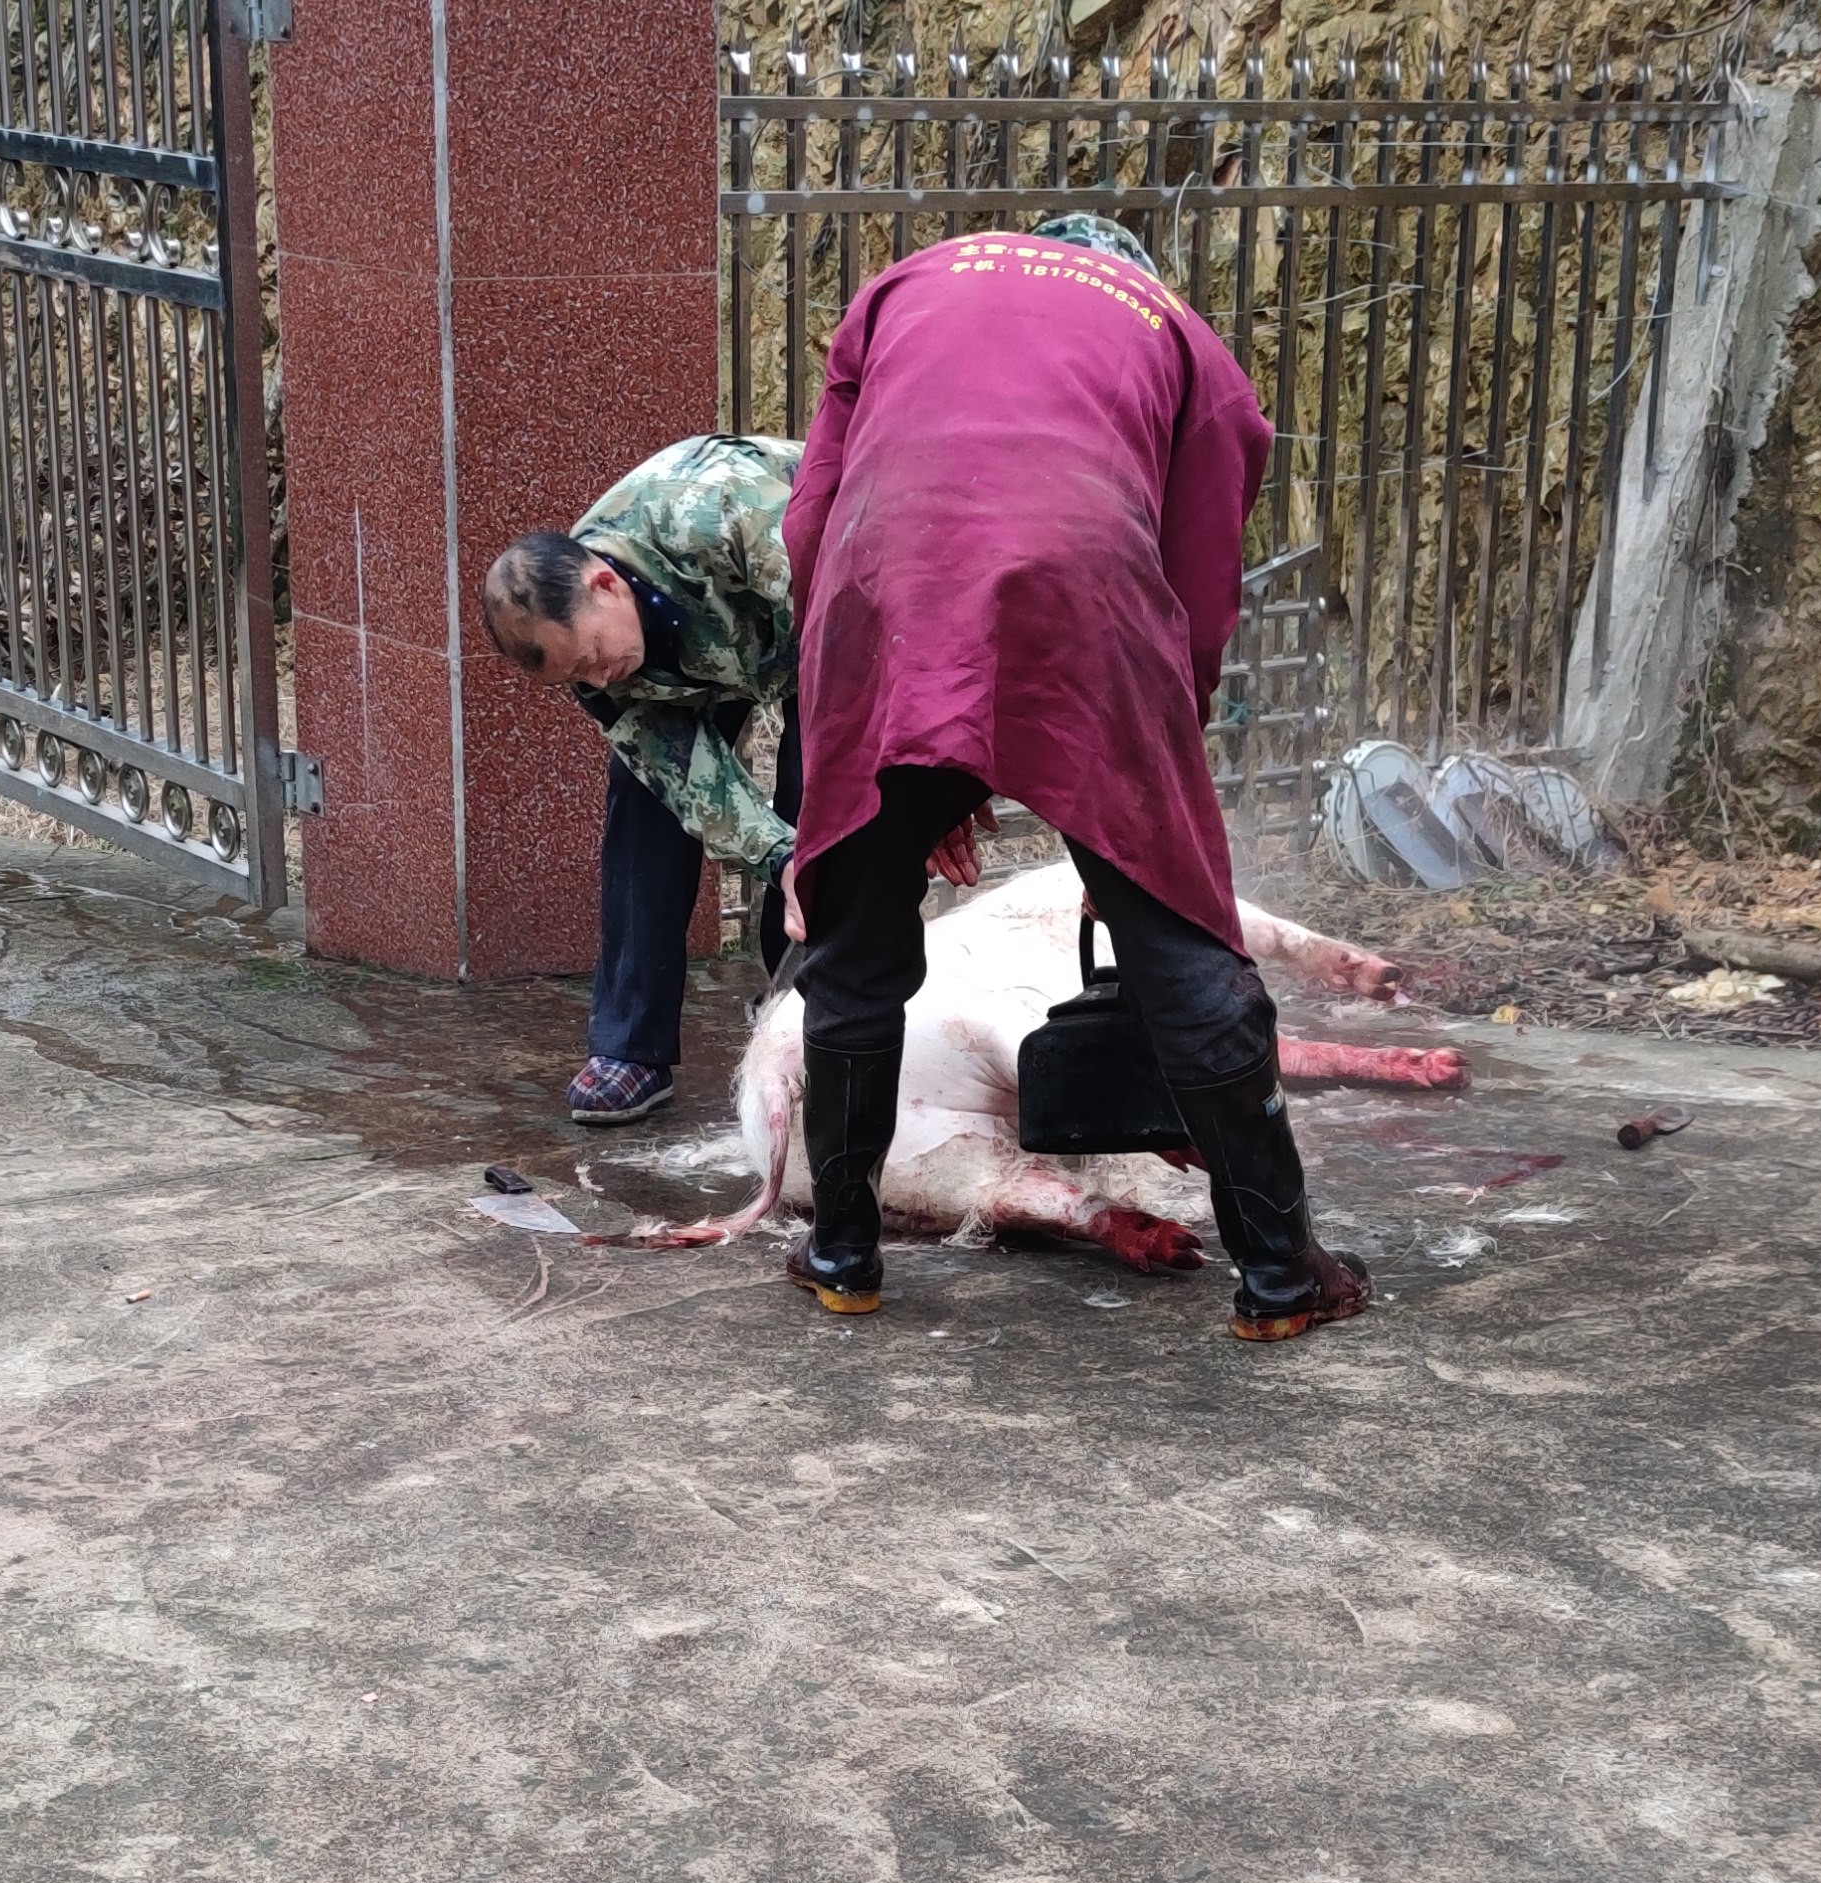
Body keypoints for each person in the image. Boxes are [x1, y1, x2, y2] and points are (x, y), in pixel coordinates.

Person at [767, 211, 1364, 1339]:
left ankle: (844, 1250)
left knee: (853, 957)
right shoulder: (1185, 341)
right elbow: (1195, 585)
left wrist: (894, 741)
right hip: (1088, 597)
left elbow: (811, 520)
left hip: (884, 586)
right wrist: (1145, 802)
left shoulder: (902, 285)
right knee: (1184, 947)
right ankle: (1281, 1273)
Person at [477, 435, 801, 1126]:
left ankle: (803, 1000)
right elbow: (692, 783)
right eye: (577, 677)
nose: (597, 682)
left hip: (813, 619)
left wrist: (807, 854)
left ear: (605, 583)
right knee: (645, 797)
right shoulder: (589, 661)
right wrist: (779, 857)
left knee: (824, 801)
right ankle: (630, 1046)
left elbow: (849, 629)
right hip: (695, 661)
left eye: (594, 656)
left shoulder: (722, 511)